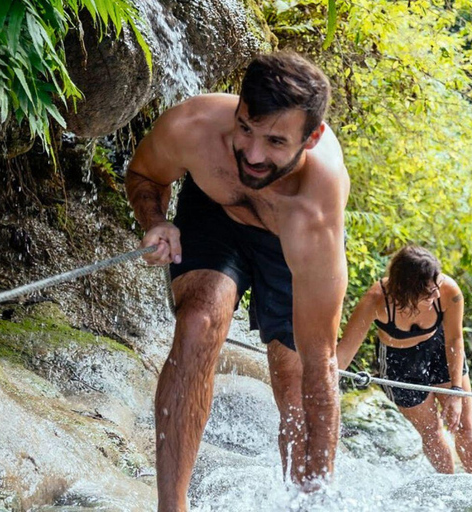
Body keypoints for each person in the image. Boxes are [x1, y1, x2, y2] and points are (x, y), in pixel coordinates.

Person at [125, 52, 349, 509]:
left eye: (274, 141)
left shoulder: (316, 208)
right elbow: (145, 173)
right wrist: (155, 220)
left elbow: (320, 364)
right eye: (245, 127)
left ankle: (306, 499)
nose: (252, 154)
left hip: (288, 241)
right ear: (238, 106)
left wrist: (320, 492)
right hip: (214, 214)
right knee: (197, 325)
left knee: (293, 379)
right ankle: (172, 506)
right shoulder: (195, 125)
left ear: (312, 137)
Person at [336, 245, 472, 474]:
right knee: (432, 431)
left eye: (437, 286)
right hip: (400, 362)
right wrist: (321, 388)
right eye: (428, 292)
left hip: (441, 348)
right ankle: (450, 485)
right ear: (406, 290)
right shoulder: (376, 300)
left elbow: (454, 340)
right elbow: (343, 354)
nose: (436, 294)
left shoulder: (448, 290)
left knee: (464, 424)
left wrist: (456, 391)